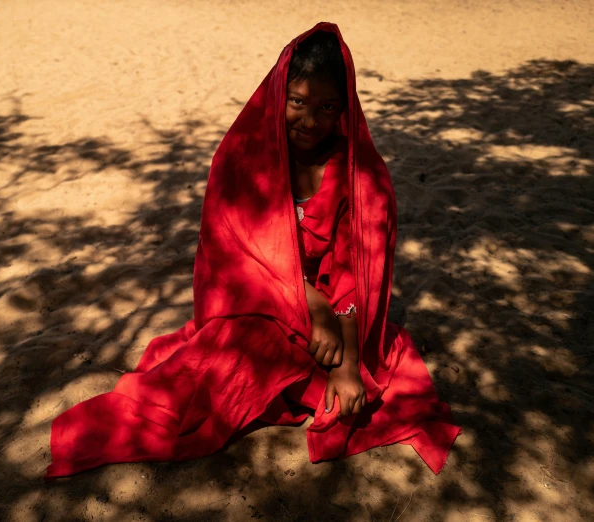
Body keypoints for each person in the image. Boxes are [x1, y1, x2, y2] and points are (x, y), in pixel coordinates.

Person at [45, 22, 460, 479]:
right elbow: (233, 261)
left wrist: (349, 358)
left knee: (342, 389)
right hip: (259, 303)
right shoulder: (244, 156)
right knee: (232, 365)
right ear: (279, 92)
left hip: (335, 319)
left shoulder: (360, 177)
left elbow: (359, 272)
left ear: (344, 109)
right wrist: (305, 298)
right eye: (298, 102)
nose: (309, 120)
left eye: (327, 108)